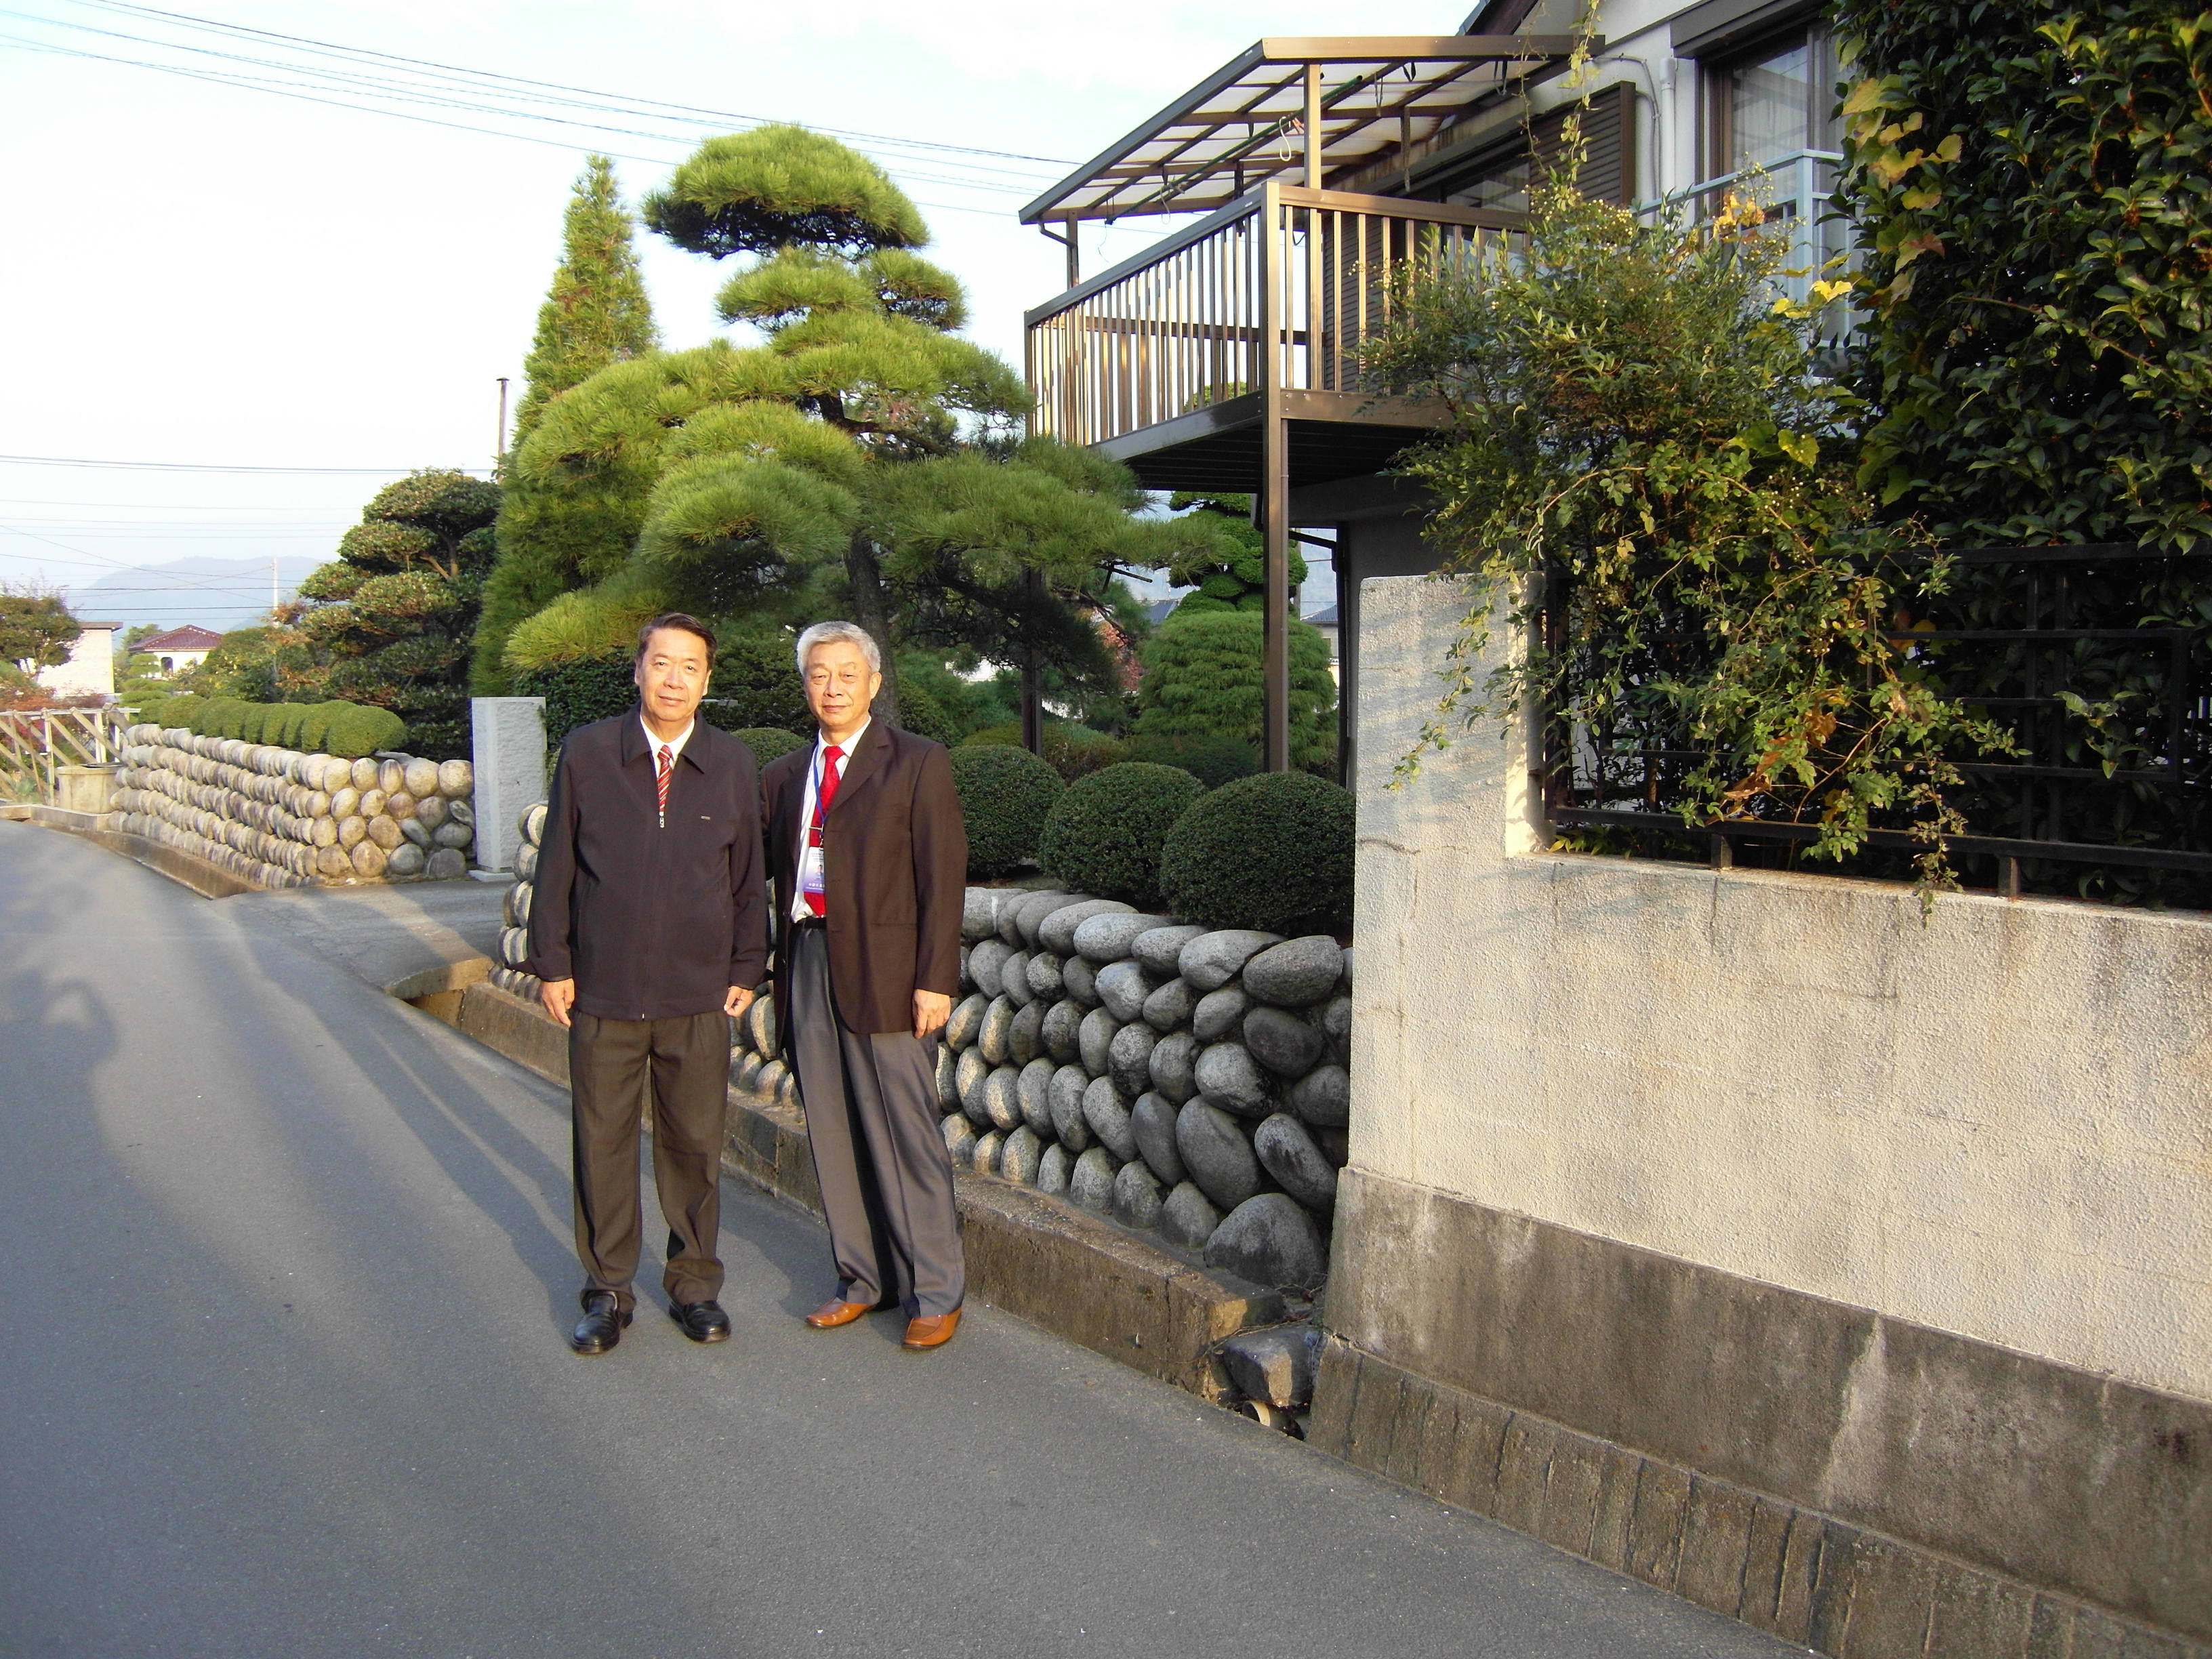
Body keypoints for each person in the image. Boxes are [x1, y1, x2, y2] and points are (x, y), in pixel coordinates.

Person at [526, 613, 768, 1356]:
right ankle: (606, 1290)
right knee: (601, 1141)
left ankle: (695, 1284)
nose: (673, 679)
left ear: (706, 680)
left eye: (689, 667)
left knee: (695, 1144)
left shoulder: (731, 763)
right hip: (603, 986)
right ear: (639, 670)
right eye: (661, 663)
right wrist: (554, 964)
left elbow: (747, 875)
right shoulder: (591, 752)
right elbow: (558, 865)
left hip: (697, 993)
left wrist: (745, 967)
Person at [763, 621, 968, 1351]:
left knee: (904, 1133)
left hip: (887, 975)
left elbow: (942, 883)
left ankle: (935, 1290)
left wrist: (934, 980)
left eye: (848, 674)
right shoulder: (786, 775)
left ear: (875, 683)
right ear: (806, 683)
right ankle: (863, 1278)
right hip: (808, 962)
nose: (833, 687)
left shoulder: (915, 762)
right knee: (832, 1126)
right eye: (819, 674)